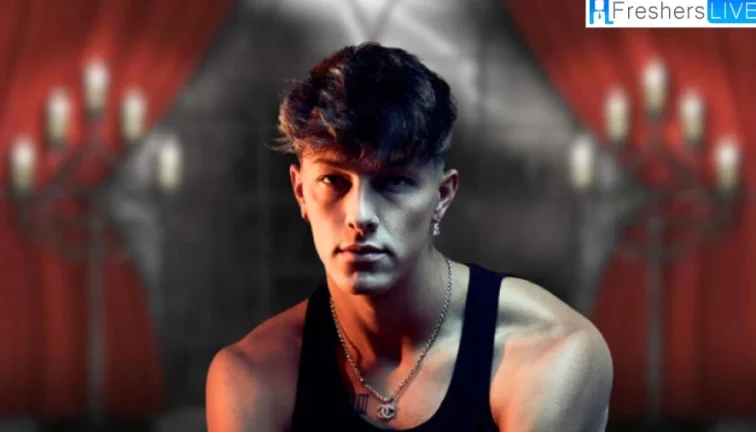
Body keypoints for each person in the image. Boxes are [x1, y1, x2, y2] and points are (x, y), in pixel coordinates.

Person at [206, 42, 613, 431]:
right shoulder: (253, 374)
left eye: (394, 182)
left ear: (442, 196)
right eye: (333, 180)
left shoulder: (548, 350)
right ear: (301, 193)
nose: (360, 216)